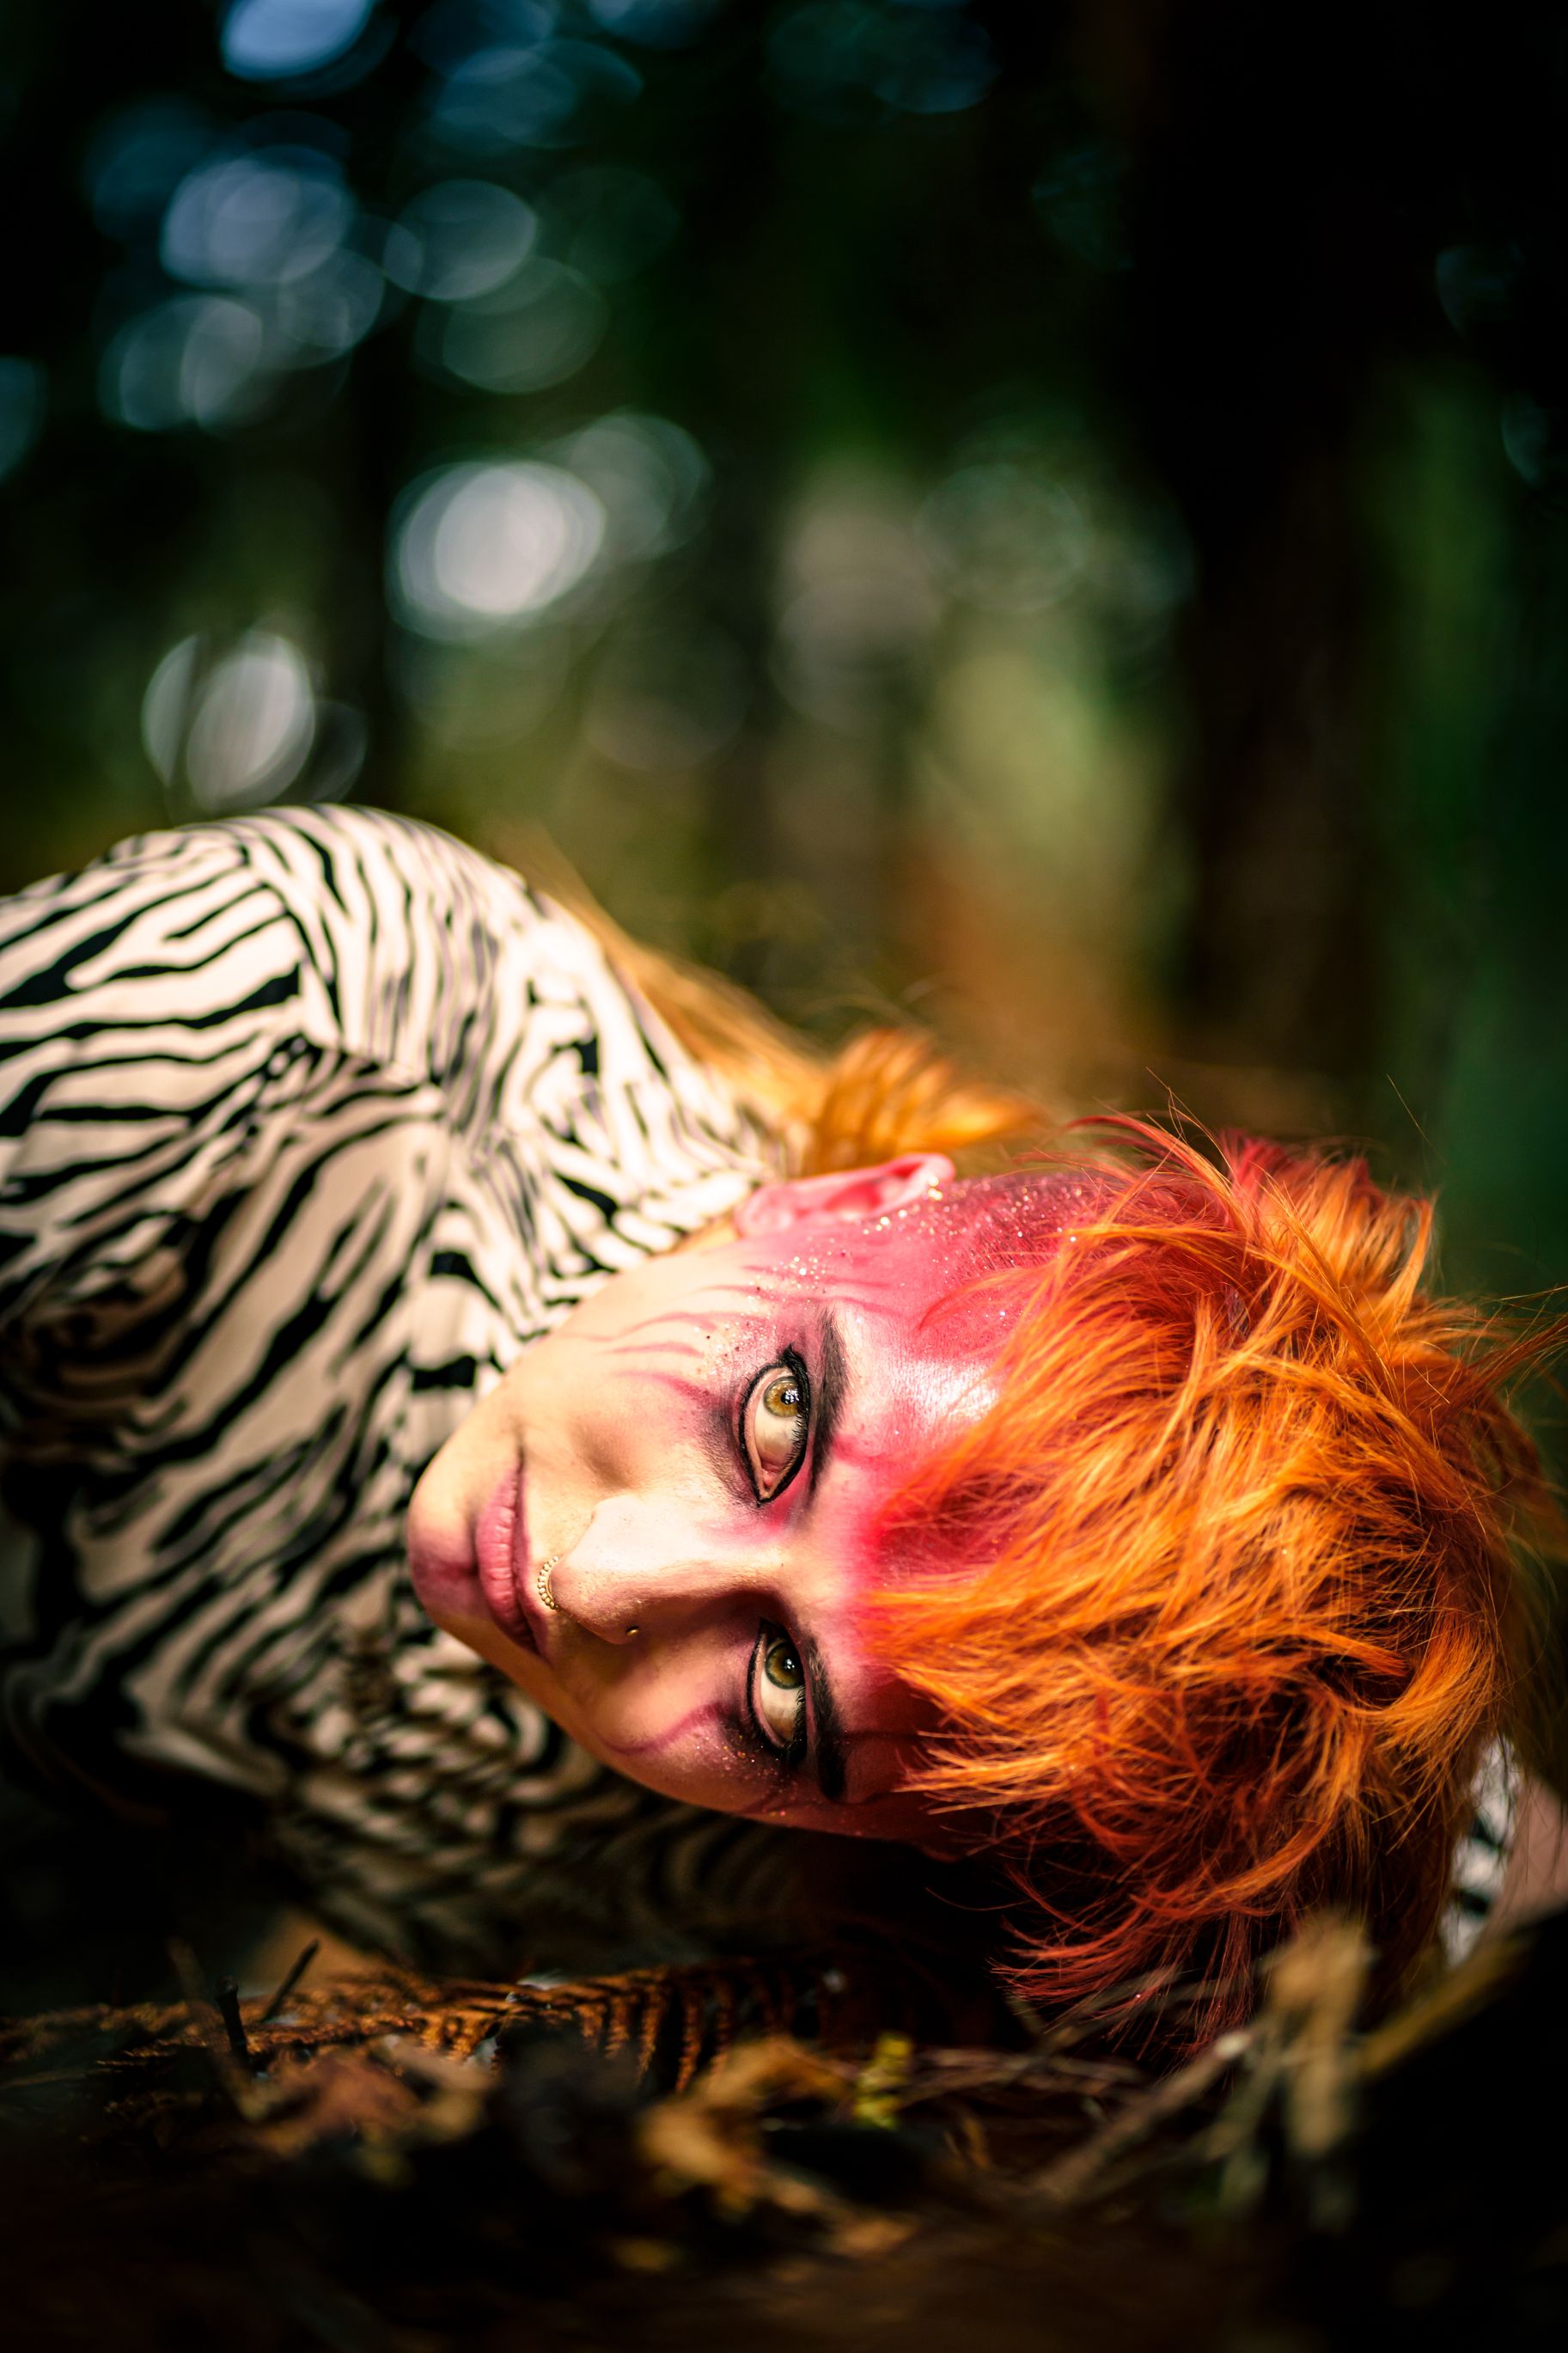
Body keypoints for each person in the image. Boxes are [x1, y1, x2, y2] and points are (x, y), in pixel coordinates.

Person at [0, 804, 1559, 2019]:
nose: (599, 1582)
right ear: (845, 1201)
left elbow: (1482, 1853)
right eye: (773, 1424)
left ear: (917, 1838)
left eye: (782, 1695)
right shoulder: (292, 1016)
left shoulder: (986, 1818)